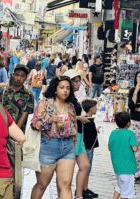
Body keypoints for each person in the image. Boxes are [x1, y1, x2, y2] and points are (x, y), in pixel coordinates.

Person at [31, 76, 77, 199]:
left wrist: (74, 143)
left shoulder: (70, 106)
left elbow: (74, 127)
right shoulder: (45, 103)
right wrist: (50, 119)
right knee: (42, 184)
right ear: (55, 89)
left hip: (68, 148)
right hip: (48, 147)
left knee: (66, 185)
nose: (65, 90)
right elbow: (35, 124)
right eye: (62, 87)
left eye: (68, 88)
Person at [62, 69, 92, 199]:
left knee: (85, 166)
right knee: (67, 174)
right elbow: (62, 117)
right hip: (70, 137)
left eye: (79, 81)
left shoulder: (74, 97)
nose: (78, 84)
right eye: (76, 81)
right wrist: (80, 118)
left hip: (79, 135)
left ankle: (79, 195)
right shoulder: (65, 98)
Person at [108, 112, 138, 199]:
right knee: (127, 193)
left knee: (120, 186)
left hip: (117, 168)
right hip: (127, 169)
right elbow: (134, 148)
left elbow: (110, 148)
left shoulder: (113, 133)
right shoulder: (130, 134)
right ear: (128, 123)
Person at [0, 64, 34, 133]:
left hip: (17, 132)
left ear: (26, 78)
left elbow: (24, 116)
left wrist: (14, 133)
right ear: (13, 75)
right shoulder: (4, 91)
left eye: (22, 76)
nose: (19, 78)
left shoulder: (28, 95)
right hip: (1, 129)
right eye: (17, 75)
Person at [81, 99, 100, 198]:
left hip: (90, 148)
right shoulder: (86, 120)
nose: (96, 108)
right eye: (95, 107)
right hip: (87, 149)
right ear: (91, 108)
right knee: (86, 169)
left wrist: (96, 131)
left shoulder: (89, 119)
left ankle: (85, 188)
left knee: (88, 170)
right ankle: (82, 190)